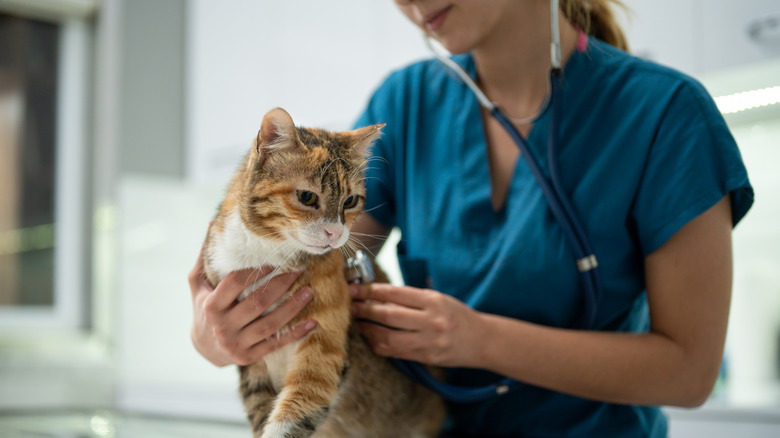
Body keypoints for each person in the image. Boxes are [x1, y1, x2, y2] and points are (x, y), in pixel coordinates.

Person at [188, 0, 754, 436]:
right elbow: (315, 262)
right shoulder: (406, 102)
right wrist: (217, 334)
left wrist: (477, 340)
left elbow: (690, 371)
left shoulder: (668, 115)